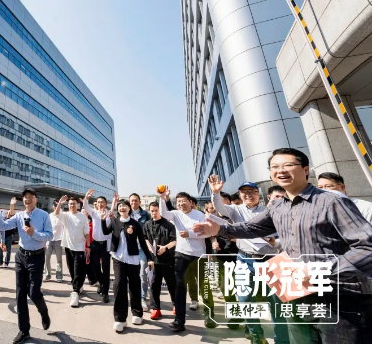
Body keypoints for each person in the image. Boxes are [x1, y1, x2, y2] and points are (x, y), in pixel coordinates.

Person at [194, 147, 372, 344]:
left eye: (288, 165)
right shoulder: (278, 206)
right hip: (297, 292)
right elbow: (252, 227)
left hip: (340, 297)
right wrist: (219, 230)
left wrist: (318, 270)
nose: (281, 171)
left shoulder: (332, 201)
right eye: (275, 167)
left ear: (306, 169)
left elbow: (367, 248)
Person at [208, 175, 289, 344]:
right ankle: (256, 335)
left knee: (276, 303)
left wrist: (275, 242)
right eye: (244, 192)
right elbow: (219, 207)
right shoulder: (236, 210)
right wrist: (215, 193)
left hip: (271, 260)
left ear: (258, 194)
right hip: (245, 260)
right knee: (245, 299)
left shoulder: (268, 211)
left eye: (252, 192)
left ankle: (282, 340)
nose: (248, 195)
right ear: (240, 195)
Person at [0, 189, 53, 344]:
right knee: (20, 294)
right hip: (21, 256)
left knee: (34, 292)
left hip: (37, 256)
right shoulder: (19, 216)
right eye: (25, 197)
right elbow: (3, 226)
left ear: (36, 199)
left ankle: (44, 312)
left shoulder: (43, 215)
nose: (27, 199)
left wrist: (34, 233)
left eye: (30, 197)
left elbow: (49, 235)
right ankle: (24, 330)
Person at [158, 191, 216, 331]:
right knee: (180, 287)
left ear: (191, 202)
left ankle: (209, 316)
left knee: (204, 286)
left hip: (199, 256)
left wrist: (189, 234)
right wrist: (161, 197)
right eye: (178, 202)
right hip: (181, 255)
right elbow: (163, 213)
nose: (181, 204)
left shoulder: (200, 215)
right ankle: (179, 320)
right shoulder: (176, 214)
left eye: (183, 201)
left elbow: (207, 233)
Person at [101, 199, 154, 333]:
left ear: (129, 208)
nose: (122, 208)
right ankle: (120, 319)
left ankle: (137, 314)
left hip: (132, 258)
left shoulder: (135, 224)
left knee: (134, 286)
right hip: (118, 257)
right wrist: (103, 220)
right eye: (120, 206)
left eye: (124, 205)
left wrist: (149, 258)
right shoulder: (115, 221)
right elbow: (106, 232)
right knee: (119, 285)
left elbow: (142, 242)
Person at [53, 195, 90, 307]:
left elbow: (87, 233)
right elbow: (56, 213)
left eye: (73, 204)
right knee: (72, 270)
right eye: (70, 204)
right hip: (68, 247)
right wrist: (60, 203)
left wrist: (88, 247)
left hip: (79, 248)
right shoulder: (65, 215)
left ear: (77, 205)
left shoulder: (82, 217)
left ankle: (75, 292)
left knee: (78, 269)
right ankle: (79, 286)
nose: (72, 205)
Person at [143, 200, 176, 320]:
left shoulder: (169, 225)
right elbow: (144, 238)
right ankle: (155, 308)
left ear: (160, 211)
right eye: (152, 211)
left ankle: (176, 305)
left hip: (168, 259)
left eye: (156, 210)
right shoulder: (147, 224)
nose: (154, 213)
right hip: (153, 261)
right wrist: (149, 249)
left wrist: (165, 248)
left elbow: (174, 240)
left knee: (172, 284)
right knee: (154, 285)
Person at [82, 189, 117, 303]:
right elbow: (85, 206)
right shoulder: (94, 213)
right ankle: (102, 283)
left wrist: (114, 202)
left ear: (106, 204)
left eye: (102, 202)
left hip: (106, 245)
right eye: (98, 202)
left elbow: (113, 223)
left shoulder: (109, 214)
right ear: (96, 204)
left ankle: (105, 293)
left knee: (106, 269)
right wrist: (87, 197)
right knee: (95, 266)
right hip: (95, 244)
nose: (100, 204)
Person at [128, 193, 152, 311]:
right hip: (129, 248)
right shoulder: (126, 214)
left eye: (136, 200)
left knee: (143, 273)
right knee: (132, 274)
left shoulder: (145, 215)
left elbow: (150, 230)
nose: (134, 203)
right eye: (132, 201)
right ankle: (134, 296)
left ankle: (142, 298)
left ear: (140, 202)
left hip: (142, 248)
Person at [45, 196, 65, 282]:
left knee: (59, 259)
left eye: (58, 205)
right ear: (53, 206)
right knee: (47, 257)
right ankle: (48, 275)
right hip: (49, 239)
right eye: (55, 205)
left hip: (58, 240)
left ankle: (59, 276)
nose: (57, 206)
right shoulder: (49, 216)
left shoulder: (62, 214)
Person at [0, 198, 17, 267]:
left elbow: (12, 213)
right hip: (2, 237)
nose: (9, 214)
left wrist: (12, 205)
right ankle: (0, 262)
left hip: (9, 237)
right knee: (0, 250)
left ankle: (6, 263)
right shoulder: (3, 220)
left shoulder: (12, 220)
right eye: (8, 213)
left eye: (10, 213)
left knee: (8, 251)